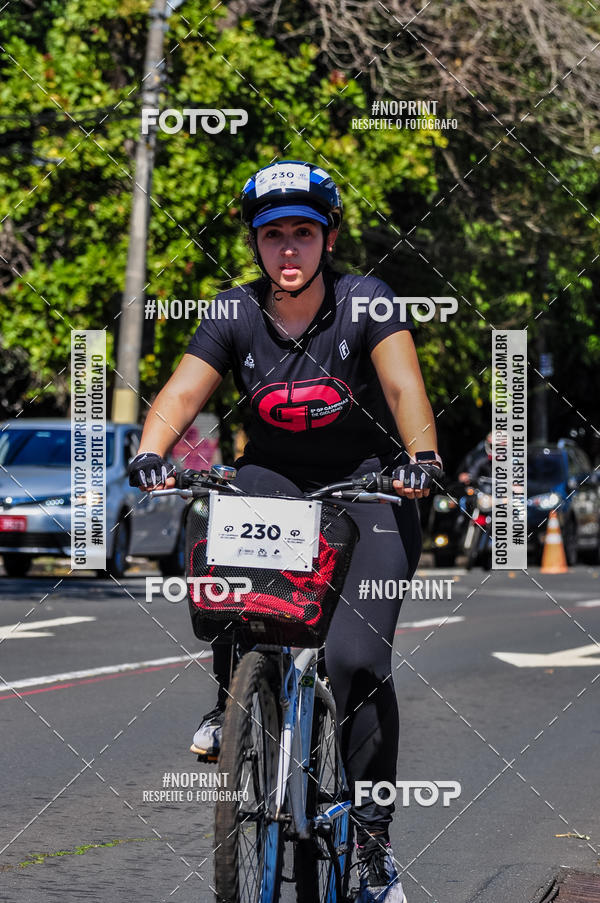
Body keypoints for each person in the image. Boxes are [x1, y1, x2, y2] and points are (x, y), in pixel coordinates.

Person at [128, 160, 443, 903]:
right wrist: (151, 450)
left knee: (356, 659)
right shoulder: (235, 313)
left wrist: (421, 457)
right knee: (230, 546)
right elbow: (180, 391)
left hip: (368, 486)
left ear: (328, 238)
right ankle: (234, 695)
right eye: (275, 236)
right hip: (273, 480)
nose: (289, 249)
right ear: (258, 245)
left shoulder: (366, 303)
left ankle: (371, 845)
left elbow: (404, 387)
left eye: (304, 232)